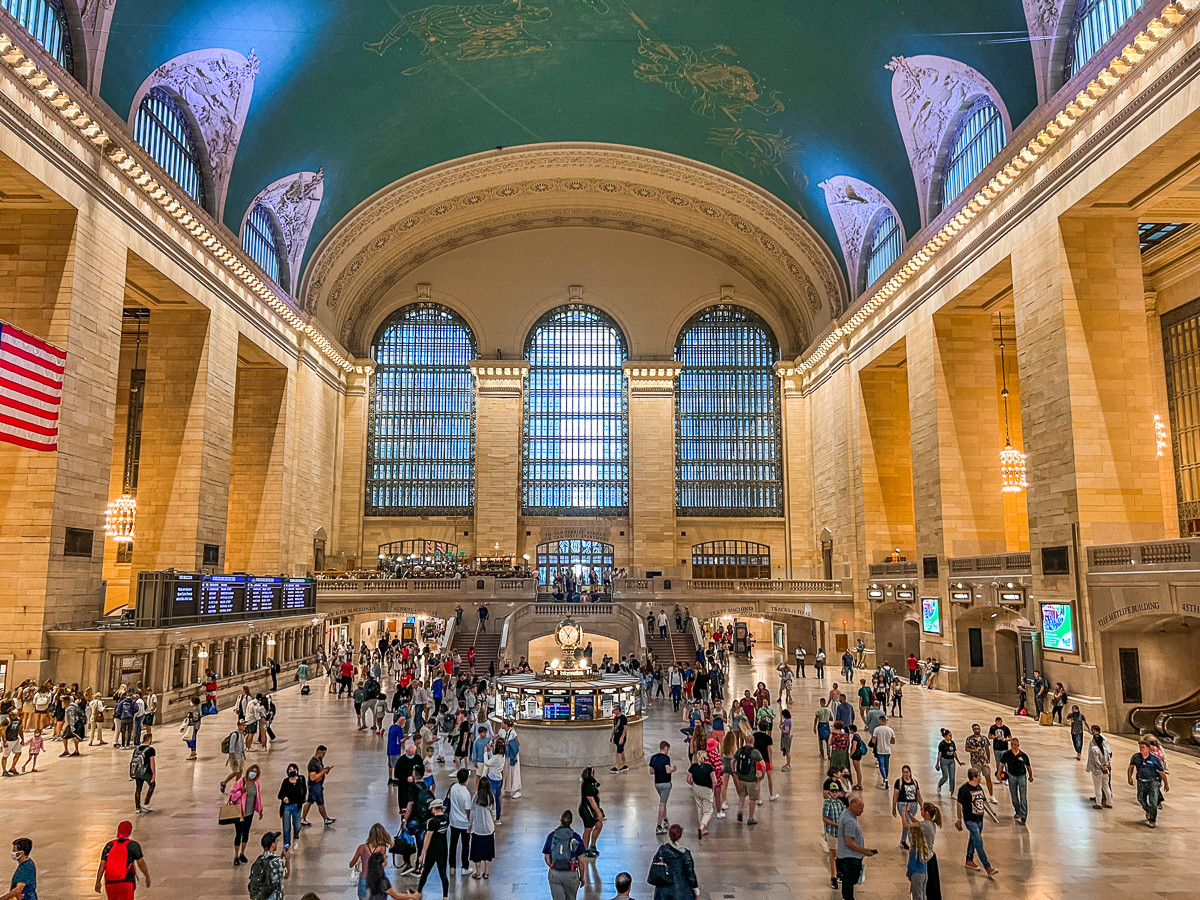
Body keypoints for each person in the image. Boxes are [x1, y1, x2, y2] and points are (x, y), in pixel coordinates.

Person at [954, 769, 997, 877]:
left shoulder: (978, 787)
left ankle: (969, 860)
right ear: (974, 777)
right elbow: (959, 805)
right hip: (970, 820)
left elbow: (983, 800)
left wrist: (992, 812)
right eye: (979, 775)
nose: (980, 777)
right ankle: (987, 867)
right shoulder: (964, 789)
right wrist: (959, 819)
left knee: (973, 839)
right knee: (978, 842)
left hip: (979, 819)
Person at [95, 820, 150, 900]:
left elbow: (102, 864)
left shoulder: (109, 845)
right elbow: (141, 863)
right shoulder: (133, 845)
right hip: (126, 882)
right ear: (129, 831)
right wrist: (147, 876)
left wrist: (98, 881)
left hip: (110, 883)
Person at [835, 796, 876, 900]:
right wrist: (864, 851)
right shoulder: (849, 821)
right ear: (852, 806)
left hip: (845, 856)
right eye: (860, 808)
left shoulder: (847, 815)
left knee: (847, 884)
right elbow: (849, 842)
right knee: (849, 883)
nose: (862, 811)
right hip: (849, 858)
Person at [647, 824, 699, 900]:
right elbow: (690, 873)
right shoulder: (685, 854)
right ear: (680, 836)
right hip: (682, 892)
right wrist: (696, 890)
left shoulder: (662, 850)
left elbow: (655, 868)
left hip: (663, 892)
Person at [543, 810, 584, 900]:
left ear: (560, 820)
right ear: (571, 822)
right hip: (571, 874)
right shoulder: (575, 837)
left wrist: (553, 866)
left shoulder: (552, 836)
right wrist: (582, 877)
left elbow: (546, 857)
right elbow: (581, 860)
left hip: (555, 874)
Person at [230, 763, 265, 867]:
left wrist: (260, 810)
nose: (253, 774)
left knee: (246, 833)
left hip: (250, 813)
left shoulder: (256, 783)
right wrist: (241, 792)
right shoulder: (240, 782)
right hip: (240, 813)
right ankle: (236, 855)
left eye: (255, 772)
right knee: (238, 834)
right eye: (252, 771)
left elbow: (257, 797)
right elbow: (232, 796)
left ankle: (242, 853)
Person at [1127, 738, 1169, 827]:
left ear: (1148, 748)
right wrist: (1129, 777)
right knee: (1141, 799)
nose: (1141, 749)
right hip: (1141, 782)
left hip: (1153, 782)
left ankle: (1152, 819)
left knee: (1153, 801)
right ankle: (1149, 810)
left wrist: (1166, 783)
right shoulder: (1136, 757)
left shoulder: (1154, 760)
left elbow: (1161, 772)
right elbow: (1131, 767)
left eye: (1143, 747)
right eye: (1140, 747)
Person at [416, 797, 450, 899]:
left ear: (434, 809)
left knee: (425, 873)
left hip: (432, 851)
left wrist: (422, 855)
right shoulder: (446, 818)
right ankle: (445, 896)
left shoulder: (432, 822)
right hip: (443, 850)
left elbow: (427, 839)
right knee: (443, 875)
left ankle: (418, 892)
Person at [997, 737, 1033, 824]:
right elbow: (1001, 764)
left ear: (1018, 745)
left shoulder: (1023, 756)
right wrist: (999, 773)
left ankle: (1023, 815)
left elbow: (1028, 766)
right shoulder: (1007, 754)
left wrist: (1030, 776)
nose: (1014, 746)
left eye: (1015, 745)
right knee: (1014, 796)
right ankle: (1018, 810)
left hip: (1022, 776)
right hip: (1011, 776)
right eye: (1012, 745)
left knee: (1023, 796)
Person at [468, 776, 496, 879]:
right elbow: (494, 813)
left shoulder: (476, 797)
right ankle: (486, 873)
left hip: (478, 829)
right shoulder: (491, 797)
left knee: (477, 853)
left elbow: (472, 814)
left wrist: (470, 825)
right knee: (487, 853)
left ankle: (478, 873)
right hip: (488, 829)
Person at [821, 776, 847, 889]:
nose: (835, 793)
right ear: (829, 792)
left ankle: (838, 873)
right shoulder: (828, 803)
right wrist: (835, 824)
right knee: (833, 854)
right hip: (832, 832)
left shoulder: (839, 803)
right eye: (833, 792)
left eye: (836, 791)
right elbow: (824, 818)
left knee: (839, 854)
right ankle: (833, 876)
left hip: (839, 833)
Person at [731, 737, 763, 825]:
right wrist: (762, 776)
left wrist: (734, 771)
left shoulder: (740, 750)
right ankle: (750, 818)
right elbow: (762, 765)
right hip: (751, 779)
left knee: (742, 795)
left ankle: (740, 810)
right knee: (752, 798)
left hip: (741, 778)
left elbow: (732, 760)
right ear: (753, 741)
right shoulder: (755, 752)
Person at [302, 745, 336, 827]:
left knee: (309, 802)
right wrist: (323, 772)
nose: (324, 756)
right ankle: (325, 819)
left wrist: (325, 770)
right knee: (320, 803)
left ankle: (302, 818)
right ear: (319, 752)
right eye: (323, 753)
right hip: (315, 786)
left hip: (317, 785)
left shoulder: (319, 761)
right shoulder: (312, 764)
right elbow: (312, 777)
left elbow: (321, 770)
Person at [685, 747, 715, 840]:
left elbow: (688, 779)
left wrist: (693, 785)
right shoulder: (709, 768)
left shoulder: (693, 767)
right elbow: (714, 781)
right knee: (708, 811)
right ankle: (702, 826)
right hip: (707, 789)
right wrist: (712, 789)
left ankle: (703, 829)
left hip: (696, 788)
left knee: (699, 807)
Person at [277, 763, 307, 852]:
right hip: (287, 807)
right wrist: (284, 798)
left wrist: (302, 800)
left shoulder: (301, 779)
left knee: (297, 825)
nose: (292, 771)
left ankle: (296, 835)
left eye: (294, 769)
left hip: (297, 806)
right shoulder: (285, 782)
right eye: (290, 770)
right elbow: (280, 794)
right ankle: (286, 846)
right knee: (286, 828)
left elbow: (304, 791)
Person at [447, 769, 472, 875]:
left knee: (453, 845)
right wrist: (471, 822)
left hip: (453, 821)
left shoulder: (453, 787)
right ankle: (464, 867)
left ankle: (452, 867)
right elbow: (468, 810)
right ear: (467, 779)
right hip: (464, 824)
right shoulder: (466, 794)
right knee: (465, 845)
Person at [248, 831, 288, 900]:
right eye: (276, 841)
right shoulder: (277, 861)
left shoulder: (259, 860)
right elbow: (286, 875)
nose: (277, 843)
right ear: (272, 844)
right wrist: (287, 860)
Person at [963, 724, 997, 804]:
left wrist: (988, 759)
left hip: (984, 761)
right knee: (975, 779)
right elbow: (966, 749)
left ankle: (991, 796)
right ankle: (975, 795)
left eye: (977, 728)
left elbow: (987, 748)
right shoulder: (970, 739)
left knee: (988, 777)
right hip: (975, 762)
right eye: (975, 729)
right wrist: (974, 750)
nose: (976, 730)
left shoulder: (984, 738)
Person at [648, 741, 675, 834]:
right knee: (662, 804)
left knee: (664, 800)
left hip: (657, 783)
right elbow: (667, 770)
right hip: (666, 783)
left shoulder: (653, 757)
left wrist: (658, 771)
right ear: (666, 748)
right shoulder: (666, 758)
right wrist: (673, 770)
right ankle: (659, 825)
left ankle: (665, 819)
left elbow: (651, 771)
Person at [892, 764, 922, 847]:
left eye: (907, 772)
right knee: (908, 823)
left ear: (910, 772)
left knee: (907, 822)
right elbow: (895, 795)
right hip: (903, 804)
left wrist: (922, 805)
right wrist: (894, 807)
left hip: (913, 804)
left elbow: (918, 795)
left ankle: (903, 840)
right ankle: (913, 843)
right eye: (904, 772)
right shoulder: (899, 782)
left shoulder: (915, 782)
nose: (905, 774)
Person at [578, 767, 604, 857]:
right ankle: (583, 849)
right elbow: (590, 799)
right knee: (588, 829)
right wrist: (598, 812)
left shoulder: (592, 782)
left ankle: (592, 845)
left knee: (598, 825)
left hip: (593, 809)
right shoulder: (588, 783)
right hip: (587, 810)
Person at [1086, 726, 1113, 809]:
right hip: (1105, 770)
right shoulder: (1104, 749)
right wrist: (1106, 765)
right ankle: (1109, 802)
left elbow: (1094, 760)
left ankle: (1099, 803)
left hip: (1098, 770)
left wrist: (1092, 768)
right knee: (1106, 786)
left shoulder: (1094, 748)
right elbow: (1108, 757)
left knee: (1098, 787)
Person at [131, 732, 156, 813]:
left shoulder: (136, 749)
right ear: (149, 740)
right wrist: (153, 774)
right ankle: (146, 803)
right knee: (152, 785)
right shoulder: (151, 750)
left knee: (138, 788)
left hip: (137, 771)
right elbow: (152, 763)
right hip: (146, 771)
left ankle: (137, 808)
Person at [222, 720, 248, 792]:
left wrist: (244, 755)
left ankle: (237, 786)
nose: (244, 727)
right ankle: (224, 782)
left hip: (241, 756)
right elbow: (231, 747)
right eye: (243, 725)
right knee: (235, 772)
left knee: (240, 772)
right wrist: (233, 758)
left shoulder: (242, 734)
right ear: (239, 725)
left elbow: (242, 745)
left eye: (245, 725)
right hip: (235, 757)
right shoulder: (234, 735)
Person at [935, 729, 961, 794]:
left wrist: (958, 761)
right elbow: (940, 754)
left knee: (952, 777)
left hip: (951, 761)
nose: (950, 737)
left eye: (951, 735)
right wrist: (937, 763)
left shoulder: (952, 743)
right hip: (944, 761)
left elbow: (954, 753)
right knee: (945, 776)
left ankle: (952, 791)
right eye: (949, 735)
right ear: (945, 736)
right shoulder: (942, 744)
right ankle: (939, 784)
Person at [871, 715, 895, 786]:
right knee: (886, 765)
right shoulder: (890, 730)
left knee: (881, 765)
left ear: (880, 721)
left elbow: (873, 741)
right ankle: (886, 778)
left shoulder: (876, 729)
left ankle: (884, 778)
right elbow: (893, 742)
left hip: (880, 750)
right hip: (888, 750)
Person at [180, 696, 202, 761]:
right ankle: (193, 752)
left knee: (192, 739)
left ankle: (193, 753)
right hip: (196, 726)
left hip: (193, 726)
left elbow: (195, 718)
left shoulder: (195, 709)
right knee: (192, 739)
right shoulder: (198, 707)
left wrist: (190, 715)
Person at [610, 704, 629, 772]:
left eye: (615, 709)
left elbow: (625, 728)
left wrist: (622, 737)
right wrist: (612, 735)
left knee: (618, 752)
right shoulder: (615, 718)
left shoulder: (623, 718)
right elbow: (614, 727)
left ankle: (617, 766)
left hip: (621, 737)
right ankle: (625, 764)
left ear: (618, 710)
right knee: (622, 751)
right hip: (616, 737)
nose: (613, 711)